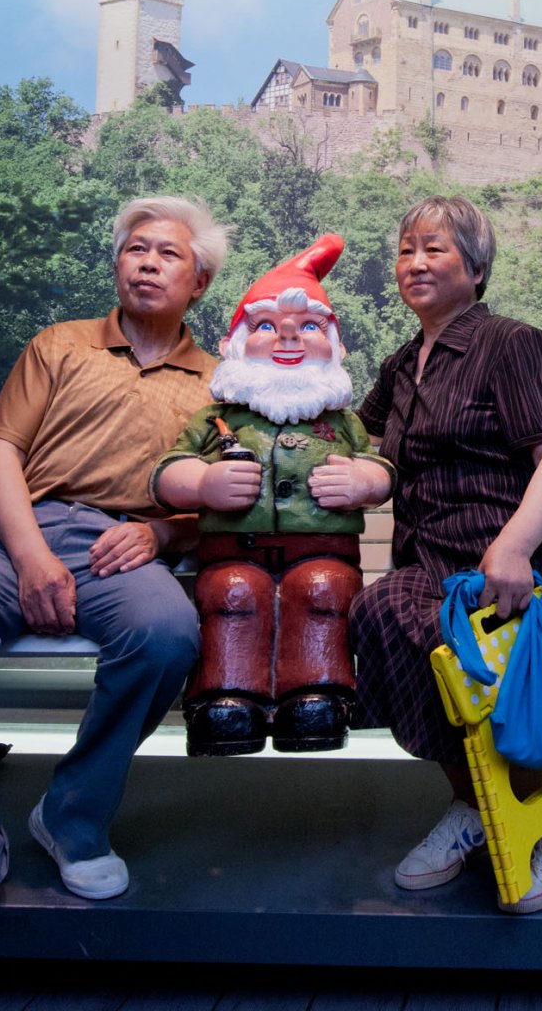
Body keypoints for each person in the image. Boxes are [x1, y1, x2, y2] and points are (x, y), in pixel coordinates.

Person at [0, 195, 229, 970]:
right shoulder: (60, 344)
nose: (145, 261)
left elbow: (215, 505)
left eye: (166, 253)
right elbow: (0, 453)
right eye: (134, 249)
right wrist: (33, 555)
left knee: (168, 635)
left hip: (122, 543)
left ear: (199, 281)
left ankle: (71, 817)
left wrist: (160, 532)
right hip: (9, 530)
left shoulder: (219, 382)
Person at [326, 195, 542, 914]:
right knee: (382, 611)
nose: (414, 262)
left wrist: (511, 547)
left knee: (454, 628)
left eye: (435, 249)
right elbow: (349, 441)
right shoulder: (400, 364)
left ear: (476, 270)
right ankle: (474, 801)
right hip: (435, 560)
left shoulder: (513, 342)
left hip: (521, 555)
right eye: (406, 249)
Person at [152, 234, 395, 757]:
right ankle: (226, 698)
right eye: (267, 328)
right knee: (234, 594)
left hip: (324, 552)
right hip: (233, 554)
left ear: (336, 346)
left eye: (309, 327)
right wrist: (201, 483)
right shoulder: (215, 419)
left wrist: (365, 482)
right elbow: (168, 471)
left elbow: (380, 467)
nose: (289, 341)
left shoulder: (341, 421)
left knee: (324, 590)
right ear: (236, 343)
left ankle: (318, 696)